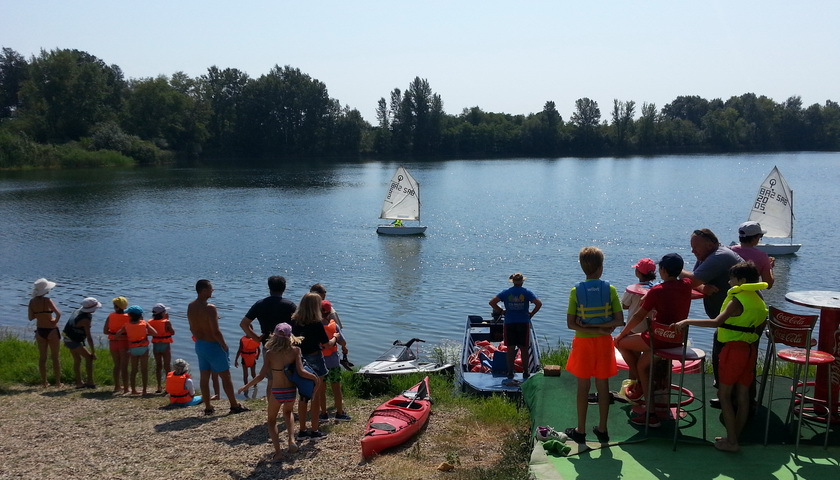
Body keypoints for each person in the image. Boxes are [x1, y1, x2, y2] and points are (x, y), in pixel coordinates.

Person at [674, 261, 768, 452]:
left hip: (733, 350)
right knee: (743, 396)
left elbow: (717, 322)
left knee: (724, 394)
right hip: (750, 350)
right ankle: (734, 437)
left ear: (741, 280)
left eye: (732, 278)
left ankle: (731, 442)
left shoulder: (738, 299)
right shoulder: (759, 299)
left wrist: (686, 320)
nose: (729, 281)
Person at [614, 253, 694, 427]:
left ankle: (641, 388)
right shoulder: (687, 285)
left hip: (657, 339)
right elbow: (685, 283)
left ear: (663, 270)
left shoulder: (657, 291)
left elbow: (637, 317)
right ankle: (650, 412)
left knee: (618, 343)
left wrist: (621, 335)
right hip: (677, 339)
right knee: (643, 366)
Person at [563, 247, 624, 444]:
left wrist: (591, 328)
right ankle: (602, 429)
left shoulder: (576, 290)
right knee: (603, 386)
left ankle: (580, 430)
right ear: (601, 267)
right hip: (604, 342)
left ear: (582, 267)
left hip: (583, 342)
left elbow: (571, 324)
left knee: (583, 386)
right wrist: (601, 330)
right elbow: (619, 321)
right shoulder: (611, 289)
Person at [680, 228, 743, 401]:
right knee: (720, 355)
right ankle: (726, 395)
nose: (693, 251)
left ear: (710, 244)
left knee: (732, 360)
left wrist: (675, 269)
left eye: (696, 247)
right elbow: (698, 282)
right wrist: (702, 287)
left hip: (739, 321)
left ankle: (737, 400)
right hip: (727, 321)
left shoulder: (719, 256)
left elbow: (690, 280)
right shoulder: (706, 256)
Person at [239, 323, 317, 460]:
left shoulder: (270, 353)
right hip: (291, 390)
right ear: (290, 336)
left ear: (274, 336)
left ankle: (278, 453)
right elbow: (301, 371)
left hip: (277, 391)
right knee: (288, 413)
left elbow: (261, 375)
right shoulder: (295, 351)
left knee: (271, 420)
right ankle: (291, 440)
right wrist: (315, 378)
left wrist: (246, 386)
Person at [187, 279, 249, 415]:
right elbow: (215, 331)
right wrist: (224, 344)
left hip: (200, 344)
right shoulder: (210, 308)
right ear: (203, 291)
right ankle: (234, 405)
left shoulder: (191, 306)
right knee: (225, 376)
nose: (212, 291)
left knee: (204, 375)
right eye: (210, 289)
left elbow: (192, 327)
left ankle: (208, 406)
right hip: (213, 346)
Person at [240, 276, 297, 397]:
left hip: (268, 345)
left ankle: (271, 407)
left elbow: (244, 324)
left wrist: (256, 338)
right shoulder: (290, 305)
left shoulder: (260, 304)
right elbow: (299, 326)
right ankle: (287, 407)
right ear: (284, 288)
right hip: (287, 346)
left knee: (271, 379)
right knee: (289, 377)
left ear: (269, 288)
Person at [489, 272, 542, 386]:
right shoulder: (526, 292)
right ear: (522, 281)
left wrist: (501, 311)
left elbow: (492, 302)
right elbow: (538, 303)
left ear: (512, 281)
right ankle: (526, 372)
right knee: (524, 348)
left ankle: (510, 372)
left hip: (509, 323)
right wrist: (531, 314)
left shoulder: (506, 292)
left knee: (510, 349)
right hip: (523, 322)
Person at [291, 292, 330, 439]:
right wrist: (335, 339)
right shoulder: (317, 323)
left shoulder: (294, 322)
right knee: (316, 396)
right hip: (315, 360)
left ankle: (302, 430)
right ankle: (314, 430)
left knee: (303, 396)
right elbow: (326, 344)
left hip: (299, 360)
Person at [317, 300, 351, 422]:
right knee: (336, 388)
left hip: (320, 362)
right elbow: (343, 342)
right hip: (333, 363)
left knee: (321, 389)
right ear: (330, 313)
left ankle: (324, 414)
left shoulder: (315, 326)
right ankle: (339, 413)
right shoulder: (334, 326)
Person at [115, 305, 157, 396]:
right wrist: (145, 335)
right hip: (143, 348)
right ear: (140, 315)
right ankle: (144, 390)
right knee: (144, 370)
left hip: (133, 348)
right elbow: (155, 332)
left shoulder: (126, 325)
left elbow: (117, 335)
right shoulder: (144, 323)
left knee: (134, 370)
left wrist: (127, 336)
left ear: (130, 316)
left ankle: (133, 390)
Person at [28, 278, 62, 387]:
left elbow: (30, 317)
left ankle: (44, 382)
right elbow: (58, 314)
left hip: (40, 330)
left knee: (42, 358)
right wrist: (54, 321)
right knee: (55, 357)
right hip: (51, 330)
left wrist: (40, 315)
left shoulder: (32, 301)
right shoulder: (47, 300)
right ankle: (57, 382)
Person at [62, 297, 102, 388]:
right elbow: (89, 337)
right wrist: (93, 352)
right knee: (89, 358)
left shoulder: (78, 311)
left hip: (67, 338)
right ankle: (90, 382)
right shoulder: (85, 320)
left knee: (78, 360)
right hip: (72, 340)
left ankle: (79, 383)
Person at [730, 221, 775, 289]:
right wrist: (770, 268)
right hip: (750, 295)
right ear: (754, 238)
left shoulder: (730, 251)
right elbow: (768, 284)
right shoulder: (762, 256)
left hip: (730, 292)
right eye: (760, 236)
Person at [620, 258, 657, 334]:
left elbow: (624, 306)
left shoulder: (632, 290)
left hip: (634, 329)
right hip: (650, 329)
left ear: (638, 273)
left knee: (622, 327)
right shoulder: (656, 290)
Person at [103, 296, 130, 394]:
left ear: (117, 307)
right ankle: (126, 388)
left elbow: (105, 331)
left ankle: (117, 386)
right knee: (124, 366)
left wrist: (113, 332)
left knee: (117, 365)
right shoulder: (129, 317)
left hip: (113, 342)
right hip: (124, 342)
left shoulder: (110, 316)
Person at [148, 303, 175, 394]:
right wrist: (168, 319)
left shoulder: (150, 322)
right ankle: (168, 387)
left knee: (158, 366)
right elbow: (172, 332)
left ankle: (159, 386)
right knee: (167, 366)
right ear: (162, 313)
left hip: (156, 345)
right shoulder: (166, 322)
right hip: (165, 345)